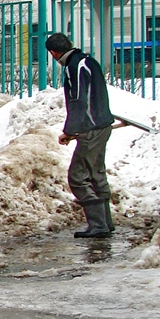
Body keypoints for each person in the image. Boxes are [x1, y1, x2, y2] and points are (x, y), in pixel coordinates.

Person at [45, 33, 115, 239]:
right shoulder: (88, 61)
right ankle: (105, 223)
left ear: (53, 53)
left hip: (91, 129)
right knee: (96, 173)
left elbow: (78, 101)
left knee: (77, 177)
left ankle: (98, 225)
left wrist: (69, 130)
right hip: (102, 126)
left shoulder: (75, 66)